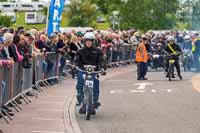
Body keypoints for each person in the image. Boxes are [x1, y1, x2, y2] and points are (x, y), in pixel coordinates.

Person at [74, 32, 105, 115]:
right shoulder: (80, 51)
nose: (88, 42)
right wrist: (75, 66)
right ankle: (80, 99)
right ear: (84, 41)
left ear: (93, 41)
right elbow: (76, 60)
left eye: (90, 41)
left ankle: (94, 101)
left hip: (93, 72)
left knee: (96, 84)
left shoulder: (98, 51)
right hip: (83, 71)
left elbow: (101, 61)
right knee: (79, 83)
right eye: (87, 40)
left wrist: (102, 68)